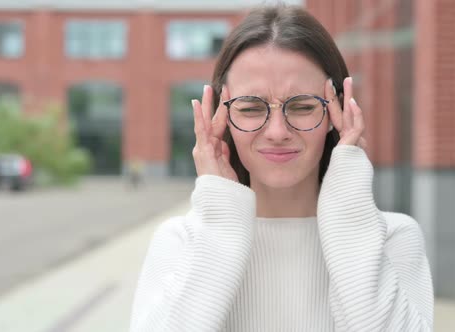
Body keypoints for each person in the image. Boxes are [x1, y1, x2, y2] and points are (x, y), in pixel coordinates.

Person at [130, 5, 433, 332]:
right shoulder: (181, 242)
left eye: (302, 106)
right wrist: (220, 223)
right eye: (250, 108)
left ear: (339, 113)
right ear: (221, 119)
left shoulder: (393, 238)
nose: (277, 132)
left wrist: (348, 204)